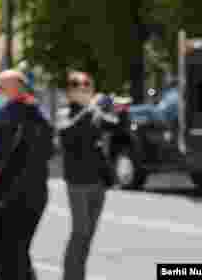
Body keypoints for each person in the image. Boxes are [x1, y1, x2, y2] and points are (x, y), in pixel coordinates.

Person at [0, 69, 53, 280]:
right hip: (36, 194)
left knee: (2, 254)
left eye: (1, 87)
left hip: (7, 195)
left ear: (16, 88)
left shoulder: (9, 114)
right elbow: (50, 151)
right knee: (20, 252)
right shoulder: (41, 114)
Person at [57, 70, 119, 280]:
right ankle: (70, 277)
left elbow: (115, 125)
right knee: (80, 231)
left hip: (98, 183)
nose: (83, 90)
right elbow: (67, 133)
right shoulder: (66, 114)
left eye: (87, 87)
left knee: (88, 236)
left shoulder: (95, 113)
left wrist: (113, 106)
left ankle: (77, 275)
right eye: (78, 87)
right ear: (69, 93)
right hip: (77, 182)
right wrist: (90, 109)